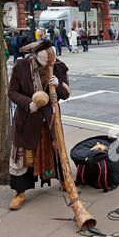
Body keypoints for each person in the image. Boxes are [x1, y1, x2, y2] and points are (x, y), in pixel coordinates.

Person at [7, 39, 71, 210]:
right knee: (23, 156)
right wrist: (29, 103)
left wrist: (58, 85)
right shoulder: (21, 67)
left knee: (58, 152)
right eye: (46, 63)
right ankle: (19, 193)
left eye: (52, 61)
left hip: (50, 121)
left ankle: (66, 182)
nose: (50, 65)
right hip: (27, 120)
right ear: (37, 58)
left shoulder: (58, 66)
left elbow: (66, 93)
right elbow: (12, 92)